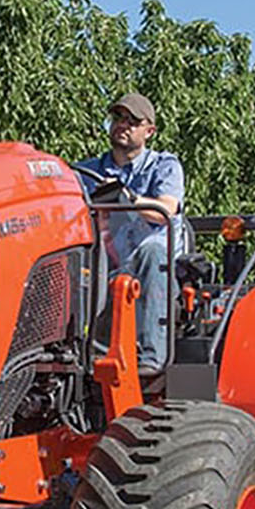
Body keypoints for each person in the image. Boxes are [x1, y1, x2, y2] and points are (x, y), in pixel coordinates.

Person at [76, 91, 185, 373]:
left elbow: (166, 210)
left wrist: (127, 198)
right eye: (118, 118)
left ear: (149, 131)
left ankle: (152, 357)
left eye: (132, 121)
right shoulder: (86, 172)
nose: (122, 125)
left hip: (153, 266)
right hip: (105, 263)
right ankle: (76, 357)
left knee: (152, 251)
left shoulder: (164, 165)